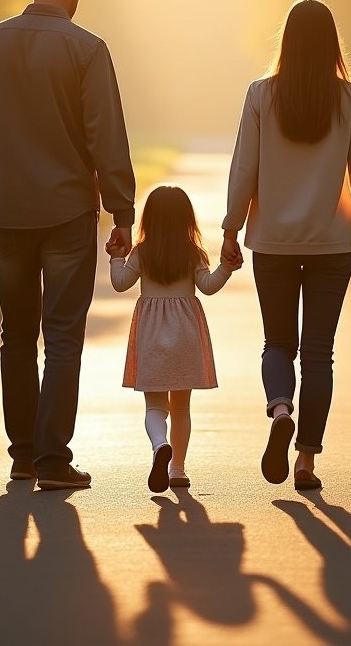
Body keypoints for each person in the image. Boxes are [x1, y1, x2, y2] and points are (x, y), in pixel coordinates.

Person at [0, 0, 135, 490]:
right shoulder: (88, 50)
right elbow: (107, 135)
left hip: (8, 213)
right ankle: (54, 459)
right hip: (67, 212)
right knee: (62, 335)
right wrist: (122, 209)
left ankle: (24, 454)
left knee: (17, 333)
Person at [222, 0, 351, 491]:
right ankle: (305, 460)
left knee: (277, 342)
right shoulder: (349, 99)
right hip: (330, 245)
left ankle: (280, 407)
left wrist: (229, 229)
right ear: (332, 43)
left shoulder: (261, 95)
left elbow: (245, 168)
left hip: (273, 243)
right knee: (319, 353)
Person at [109, 185, 240, 492]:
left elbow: (119, 284)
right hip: (185, 335)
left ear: (149, 219)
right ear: (186, 220)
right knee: (181, 408)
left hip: (151, 335)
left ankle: (158, 446)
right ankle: (177, 469)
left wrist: (116, 257)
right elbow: (207, 286)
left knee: (155, 407)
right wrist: (227, 268)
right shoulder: (192, 253)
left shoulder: (141, 253)